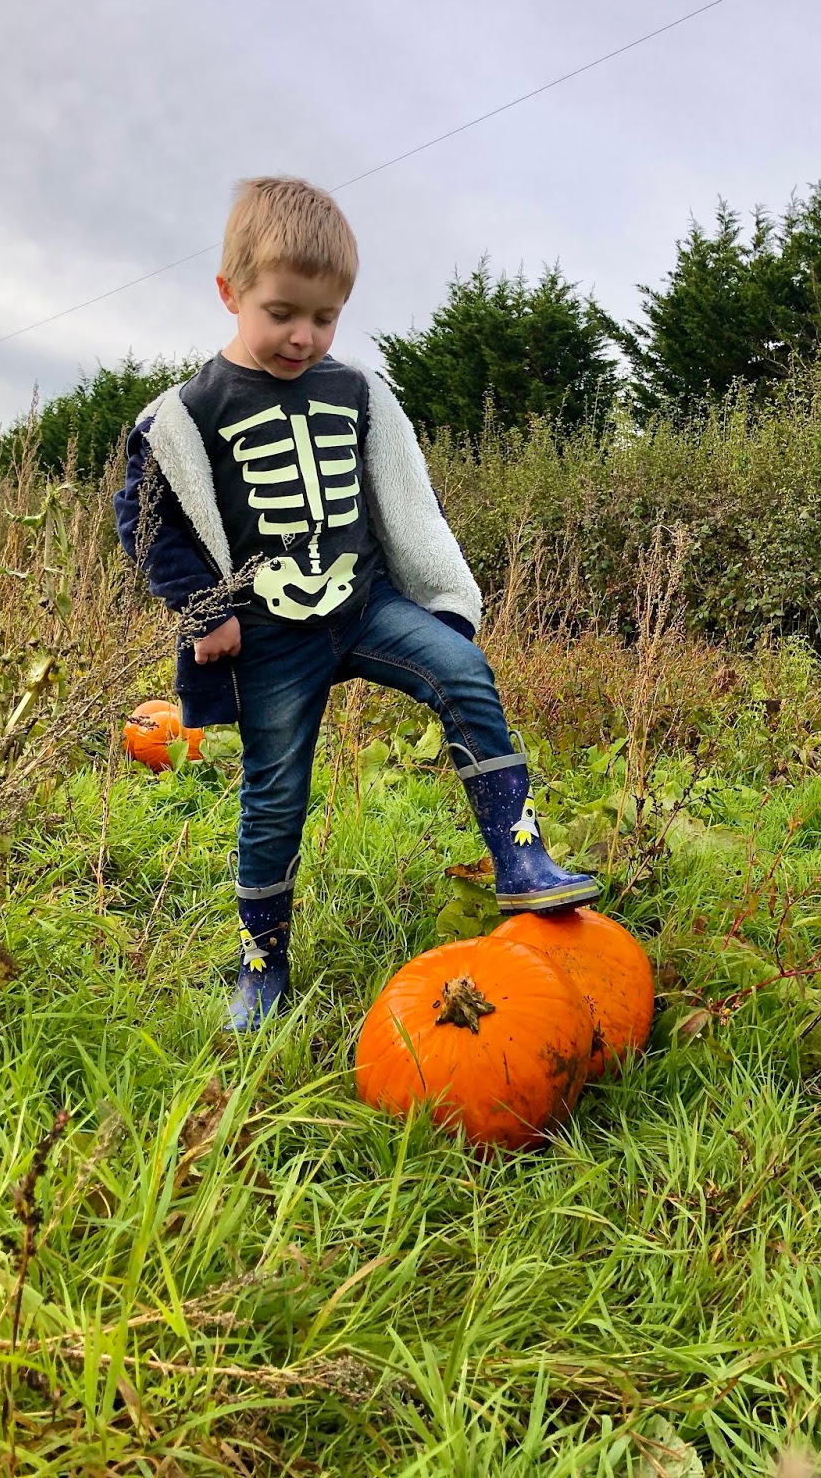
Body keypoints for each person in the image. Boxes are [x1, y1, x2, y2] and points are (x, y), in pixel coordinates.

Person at [114, 177, 596, 1032]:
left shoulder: (355, 392)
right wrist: (202, 610)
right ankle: (262, 966)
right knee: (275, 794)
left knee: (463, 669)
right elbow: (148, 521)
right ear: (229, 292)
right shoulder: (188, 414)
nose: (303, 336)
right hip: (267, 634)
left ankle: (520, 859)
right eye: (281, 313)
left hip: (363, 604)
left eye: (325, 318)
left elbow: (406, 497)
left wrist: (440, 591)